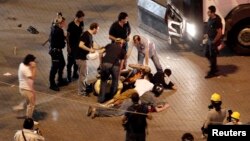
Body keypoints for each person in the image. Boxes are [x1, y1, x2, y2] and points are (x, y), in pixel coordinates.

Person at [98, 38, 126, 103]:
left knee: (104, 81)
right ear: (121, 44)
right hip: (115, 66)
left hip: (105, 64)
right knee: (115, 81)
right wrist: (119, 72)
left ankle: (101, 99)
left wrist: (101, 63)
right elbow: (122, 62)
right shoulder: (122, 50)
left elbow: (100, 53)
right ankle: (111, 98)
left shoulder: (109, 45)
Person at [76, 23, 99, 96]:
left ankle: (83, 89)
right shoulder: (86, 35)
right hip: (80, 58)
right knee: (83, 75)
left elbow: (91, 46)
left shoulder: (90, 35)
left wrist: (97, 49)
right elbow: (80, 45)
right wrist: (90, 49)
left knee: (84, 74)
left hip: (83, 58)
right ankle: (81, 92)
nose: (98, 31)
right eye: (97, 29)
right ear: (94, 28)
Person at [13, 54, 38, 123]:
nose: (34, 62)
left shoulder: (22, 64)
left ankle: (23, 110)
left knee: (28, 103)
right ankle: (29, 119)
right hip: (26, 89)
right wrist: (34, 67)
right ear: (30, 62)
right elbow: (32, 77)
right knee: (32, 104)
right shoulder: (26, 69)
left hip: (23, 88)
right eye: (33, 61)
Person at [49, 13, 68, 91]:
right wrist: (65, 37)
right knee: (54, 68)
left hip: (56, 51)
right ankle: (52, 84)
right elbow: (62, 44)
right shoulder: (59, 31)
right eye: (63, 22)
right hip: (55, 51)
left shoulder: (53, 27)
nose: (65, 23)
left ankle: (60, 79)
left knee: (62, 63)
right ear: (60, 23)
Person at [204, 5, 222, 79]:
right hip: (209, 39)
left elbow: (219, 32)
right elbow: (209, 27)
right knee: (206, 53)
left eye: (208, 12)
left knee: (212, 56)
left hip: (213, 41)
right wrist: (206, 35)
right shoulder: (210, 18)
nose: (207, 13)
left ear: (212, 13)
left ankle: (212, 72)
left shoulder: (217, 21)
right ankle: (214, 67)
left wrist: (214, 41)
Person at [66, 10, 85, 82]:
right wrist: (68, 46)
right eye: (81, 18)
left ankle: (74, 73)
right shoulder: (71, 25)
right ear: (77, 17)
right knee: (70, 62)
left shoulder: (81, 23)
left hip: (78, 45)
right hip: (72, 45)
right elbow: (67, 36)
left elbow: (82, 32)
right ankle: (68, 76)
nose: (82, 20)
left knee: (76, 61)